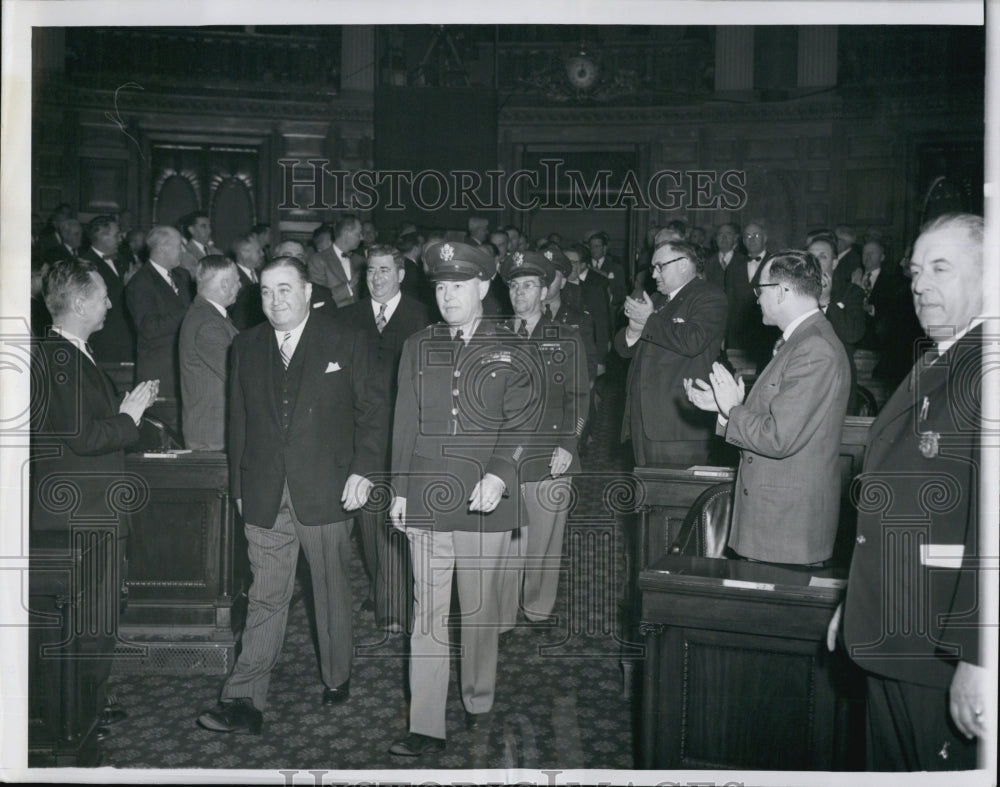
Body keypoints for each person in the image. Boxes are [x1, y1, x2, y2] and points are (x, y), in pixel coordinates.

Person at [196, 256, 387, 734]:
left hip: (327, 489)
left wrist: (363, 471)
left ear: (307, 292)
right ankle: (244, 698)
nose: (274, 300)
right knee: (266, 594)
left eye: (284, 289)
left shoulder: (346, 339)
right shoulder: (245, 345)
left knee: (330, 588)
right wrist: (240, 488)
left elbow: (373, 412)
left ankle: (337, 675)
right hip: (264, 490)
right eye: (265, 291)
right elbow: (238, 422)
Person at [828, 213, 988, 771]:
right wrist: (858, 600)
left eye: (941, 269)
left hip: (941, 649)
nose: (920, 285)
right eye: (916, 271)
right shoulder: (937, 359)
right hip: (896, 630)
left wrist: (980, 656)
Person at [387, 241, 532, 757]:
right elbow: (404, 423)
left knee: (478, 611)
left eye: (459, 286)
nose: (448, 296)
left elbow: (524, 421)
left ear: (483, 286)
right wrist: (399, 490)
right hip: (427, 496)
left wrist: (499, 474)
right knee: (426, 615)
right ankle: (425, 724)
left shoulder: (512, 345)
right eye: (441, 287)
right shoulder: (418, 345)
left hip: (484, 500)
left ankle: (477, 698)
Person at [30, 259, 159, 737]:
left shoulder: (72, 353)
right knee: (89, 622)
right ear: (81, 304)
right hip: (82, 515)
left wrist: (126, 412)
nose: (109, 303)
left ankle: (87, 707)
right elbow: (83, 437)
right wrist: (130, 416)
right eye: (103, 295)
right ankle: (78, 719)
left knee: (96, 622)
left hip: (91, 508)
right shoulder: (59, 357)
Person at [685, 250, 850, 565]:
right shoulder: (802, 340)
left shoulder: (814, 348)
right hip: (776, 522)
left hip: (787, 527)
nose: (757, 299)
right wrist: (723, 410)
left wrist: (733, 409)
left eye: (760, 290)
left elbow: (778, 437)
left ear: (782, 291)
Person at [341, 245, 432, 632]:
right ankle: (388, 595)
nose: (376, 278)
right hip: (362, 433)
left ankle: (398, 598)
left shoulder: (422, 316)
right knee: (371, 521)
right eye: (370, 271)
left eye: (384, 270)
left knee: (403, 515)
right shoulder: (349, 317)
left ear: (400, 275)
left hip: (407, 431)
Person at [497, 250, 589, 627]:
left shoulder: (565, 337)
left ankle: (537, 606)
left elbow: (579, 396)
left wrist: (568, 444)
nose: (520, 293)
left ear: (544, 290)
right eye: (514, 286)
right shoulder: (493, 336)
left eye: (529, 285)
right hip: (502, 458)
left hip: (550, 454)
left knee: (543, 544)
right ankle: (502, 614)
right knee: (504, 543)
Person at [617, 239, 727, 466]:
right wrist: (633, 330)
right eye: (653, 268)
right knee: (646, 487)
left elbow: (693, 341)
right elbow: (623, 350)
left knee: (676, 488)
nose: (654, 274)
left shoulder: (709, 296)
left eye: (660, 266)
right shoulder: (657, 299)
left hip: (677, 424)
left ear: (684, 264)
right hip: (643, 419)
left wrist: (649, 320)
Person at [125, 225, 193, 434]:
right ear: (163, 247)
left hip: (183, 371)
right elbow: (149, 328)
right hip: (160, 376)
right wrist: (189, 310)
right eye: (179, 246)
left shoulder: (182, 276)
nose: (183, 251)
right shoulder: (140, 282)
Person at [178, 255, 241, 451]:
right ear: (224, 284)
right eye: (237, 280)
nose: (240, 286)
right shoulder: (208, 323)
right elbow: (239, 372)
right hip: (214, 438)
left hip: (213, 435)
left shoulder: (206, 315)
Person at [808, 232, 866, 415]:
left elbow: (852, 334)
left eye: (822, 256)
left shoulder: (851, 292)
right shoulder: (797, 292)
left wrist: (826, 302)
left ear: (834, 263)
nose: (815, 262)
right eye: (811, 257)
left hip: (837, 379)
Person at [82, 215, 135, 364]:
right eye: (116, 235)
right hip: (104, 338)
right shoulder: (85, 264)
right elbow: (95, 303)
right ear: (102, 236)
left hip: (124, 335)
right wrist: (127, 287)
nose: (120, 239)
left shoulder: (121, 259)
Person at [307, 216, 364, 307]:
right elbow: (318, 299)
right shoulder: (318, 261)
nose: (362, 238)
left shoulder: (361, 261)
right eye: (358, 234)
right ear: (346, 233)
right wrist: (348, 287)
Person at [177, 211, 221, 276]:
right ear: (191, 230)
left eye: (209, 226)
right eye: (203, 227)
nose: (209, 230)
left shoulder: (217, 252)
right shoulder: (185, 254)